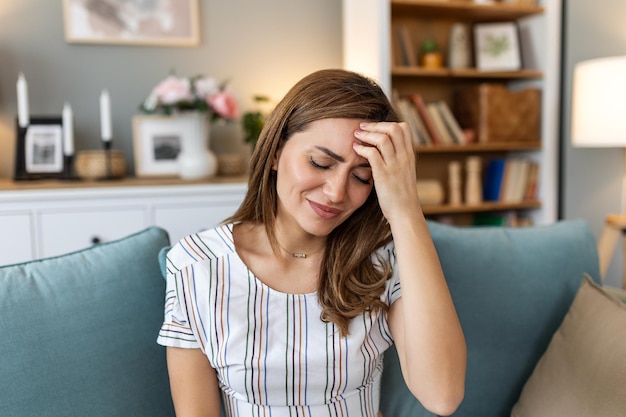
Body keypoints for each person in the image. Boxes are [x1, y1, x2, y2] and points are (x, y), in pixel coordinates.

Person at [157, 69, 466, 417]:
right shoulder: (196, 266)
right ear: (275, 152)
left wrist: (407, 210)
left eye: (361, 176)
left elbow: (443, 395)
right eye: (320, 163)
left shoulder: (383, 258)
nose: (336, 193)